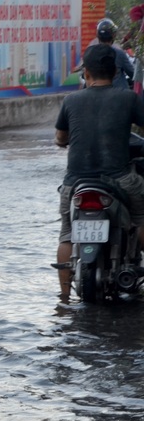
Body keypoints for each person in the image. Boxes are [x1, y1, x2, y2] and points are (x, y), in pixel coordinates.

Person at [54, 44, 144, 300]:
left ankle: (63, 297)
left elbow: (61, 138)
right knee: (140, 217)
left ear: (87, 74)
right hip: (120, 180)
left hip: (76, 183)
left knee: (67, 233)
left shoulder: (70, 100)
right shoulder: (129, 98)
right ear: (116, 71)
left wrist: (65, 141)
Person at [89, 18, 134, 89]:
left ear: (98, 35)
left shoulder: (91, 53)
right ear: (114, 35)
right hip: (119, 94)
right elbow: (132, 73)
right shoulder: (119, 53)